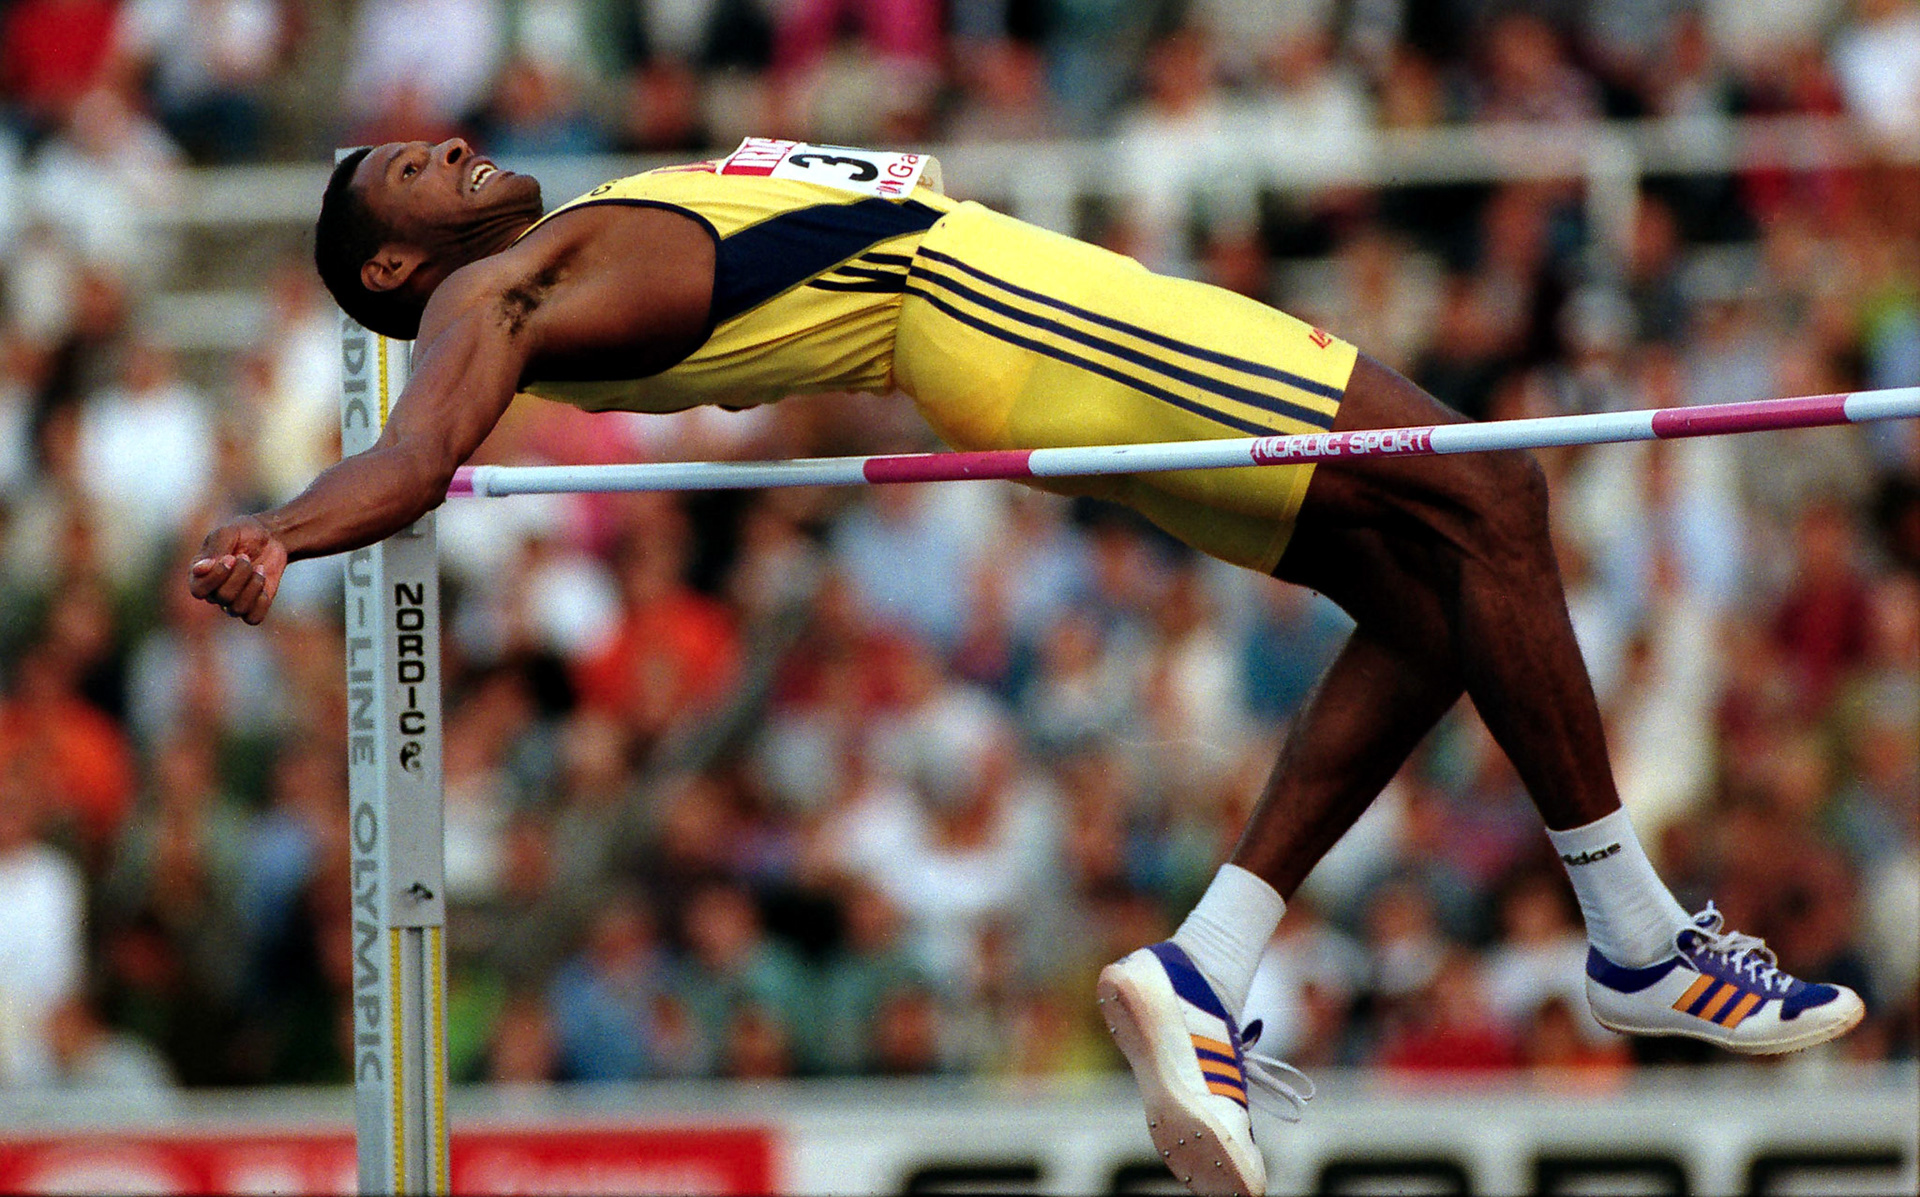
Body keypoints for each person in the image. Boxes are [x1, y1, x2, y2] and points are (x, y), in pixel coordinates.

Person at [190, 137, 1863, 1197]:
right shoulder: (494, 290)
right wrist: (280, 526)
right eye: (407, 170)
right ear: (394, 267)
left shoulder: (550, 245)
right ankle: (1637, 933)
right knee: (1490, 489)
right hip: (997, 308)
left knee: (1440, 596)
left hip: (1008, 330)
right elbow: (416, 459)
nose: (448, 147)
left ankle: (1208, 962)